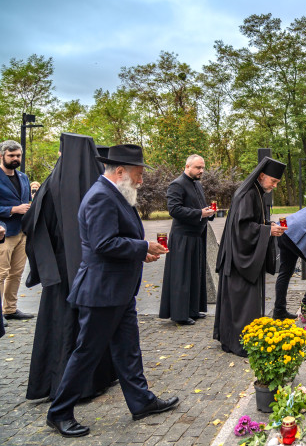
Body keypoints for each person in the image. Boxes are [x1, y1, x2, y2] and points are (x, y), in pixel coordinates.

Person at [46, 144, 176, 438]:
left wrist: (140, 253)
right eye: (139, 174)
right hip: (101, 292)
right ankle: (59, 413)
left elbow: (116, 240)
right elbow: (104, 244)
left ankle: (141, 402)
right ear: (120, 171)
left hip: (118, 291)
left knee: (128, 350)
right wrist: (143, 247)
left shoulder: (115, 194)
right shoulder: (101, 197)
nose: (141, 180)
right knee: (86, 354)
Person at [23, 133, 117, 402]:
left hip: (60, 267)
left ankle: (57, 381)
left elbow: (33, 224)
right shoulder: (97, 185)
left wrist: (47, 259)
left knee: (61, 325)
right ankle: (90, 382)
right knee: (86, 326)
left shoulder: (51, 183)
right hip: (88, 267)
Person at [214, 157, 286, 357]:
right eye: (273, 181)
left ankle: (234, 339)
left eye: (277, 183)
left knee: (239, 302)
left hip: (240, 254)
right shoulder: (248, 194)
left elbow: (254, 221)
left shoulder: (255, 191)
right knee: (241, 303)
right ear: (262, 176)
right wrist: (267, 231)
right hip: (240, 258)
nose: (274, 185)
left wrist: (267, 226)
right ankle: (241, 341)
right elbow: (243, 228)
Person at [159, 154, 215, 325]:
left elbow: (199, 207)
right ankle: (180, 315)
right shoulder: (176, 184)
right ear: (187, 166)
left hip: (197, 236)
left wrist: (208, 213)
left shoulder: (197, 184)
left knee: (195, 275)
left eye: (203, 167)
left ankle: (193, 310)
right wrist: (200, 213)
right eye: (198, 167)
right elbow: (174, 210)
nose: (201, 171)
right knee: (181, 276)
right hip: (182, 237)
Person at [0, 140, 34, 321]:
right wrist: (12, 210)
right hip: (3, 233)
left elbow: (27, 202)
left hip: (22, 232)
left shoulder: (23, 177)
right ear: (1, 155)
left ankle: (10, 309)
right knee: (1, 274)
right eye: (11, 155)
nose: (15, 158)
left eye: (18, 155)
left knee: (16, 273)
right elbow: (16, 207)